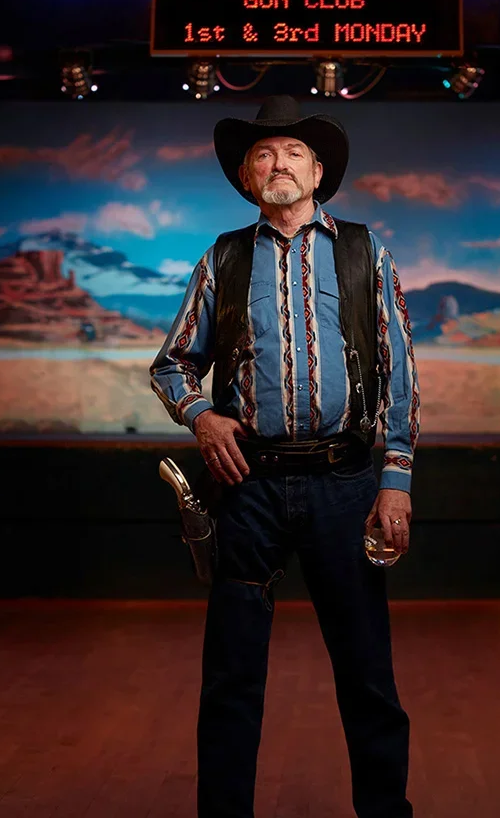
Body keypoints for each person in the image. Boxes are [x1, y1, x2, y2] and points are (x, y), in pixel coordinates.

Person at [150, 94, 420, 818]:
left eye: (293, 152)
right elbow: (172, 364)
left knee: (367, 673)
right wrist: (202, 416)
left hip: (345, 486)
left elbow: (399, 375)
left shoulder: (365, 251)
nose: (279, 164)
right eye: (263, 154)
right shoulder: (223, 257)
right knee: (231, 677)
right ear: (245, 177)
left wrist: (393, 484)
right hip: (249, 491)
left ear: (318, 171)